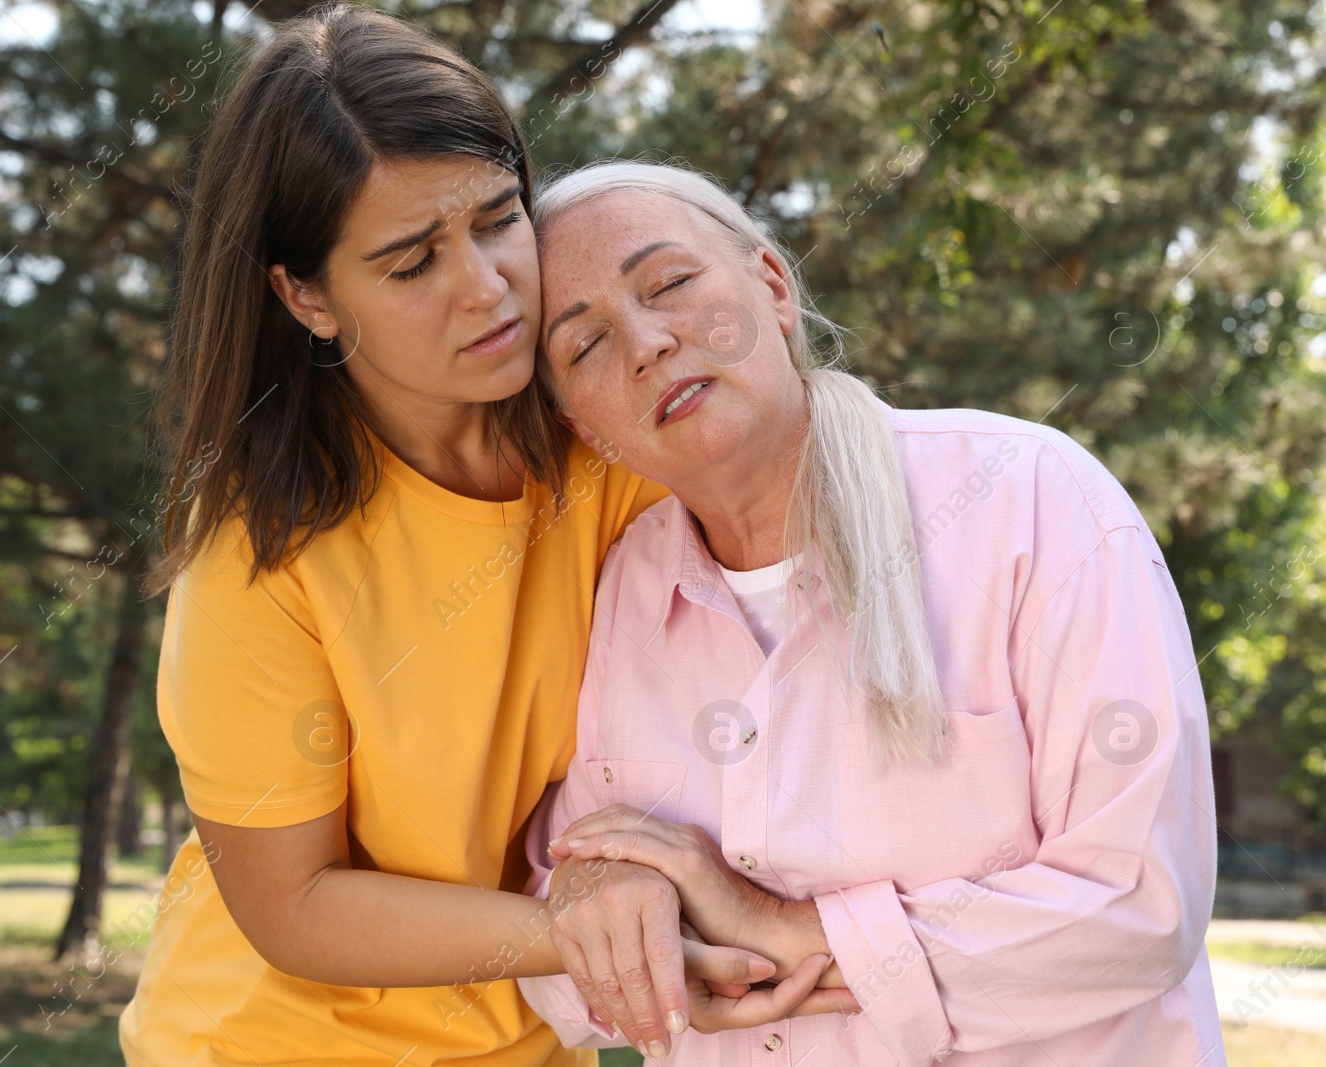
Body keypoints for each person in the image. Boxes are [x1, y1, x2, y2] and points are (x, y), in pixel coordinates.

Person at [118, 10, 797, 1065]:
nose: (485, 287)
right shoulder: (260, 556)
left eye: (495, 219)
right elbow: (291, 903)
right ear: (305, 295)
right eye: (409, 262)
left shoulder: (612, 446)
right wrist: (589, 926)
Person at [515, 161, 1227, 1065]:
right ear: (585, 427)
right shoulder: (618, 593)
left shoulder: (1033, 500)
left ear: (771, 287)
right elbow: (557, 973)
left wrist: (777, 926)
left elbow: (1140, 908)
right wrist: (603, 894)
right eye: (584, 346)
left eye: (671, 284)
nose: (649, 341)